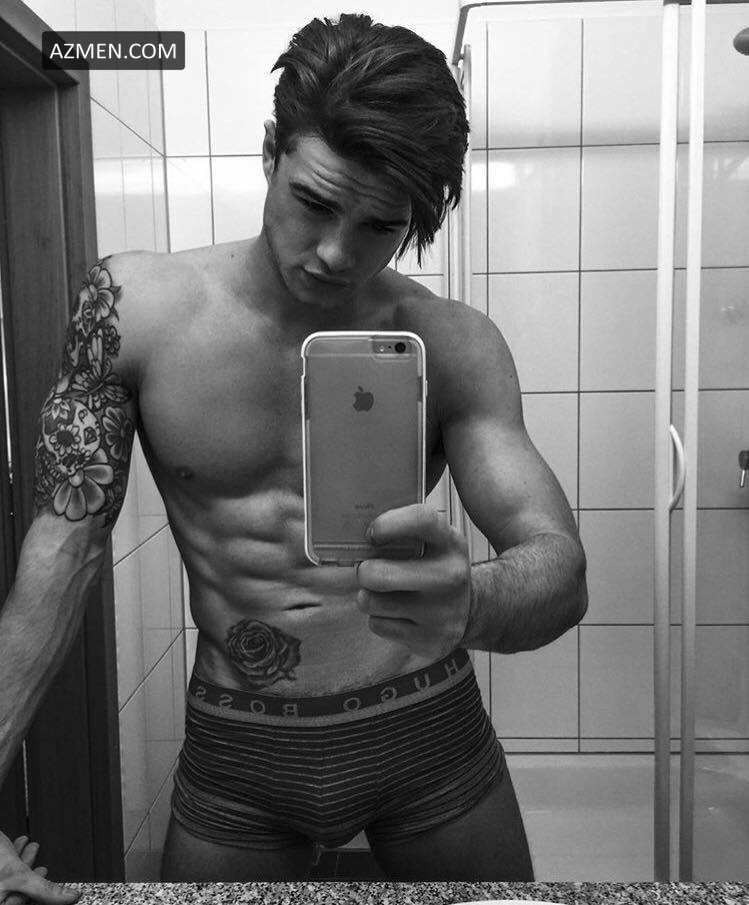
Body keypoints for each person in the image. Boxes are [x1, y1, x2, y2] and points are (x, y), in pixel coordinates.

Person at [0, 12, 587, 894]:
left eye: (378, 226)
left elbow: (560, 570)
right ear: (271, 151)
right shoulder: (134, 308)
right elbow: (63, 550)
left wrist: (471, 598)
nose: (334, 252)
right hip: (241, 747)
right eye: (314, 202)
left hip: (425, 729)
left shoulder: (450, 342)